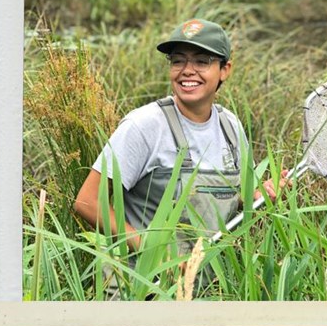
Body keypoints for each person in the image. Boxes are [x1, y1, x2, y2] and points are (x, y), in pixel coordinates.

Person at [72, 18, 283, 254]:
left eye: (202, 61)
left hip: (211, 285)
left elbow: (236, 198)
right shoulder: (144, 125)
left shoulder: (230, 126)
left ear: (225, 70)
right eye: (178, 61)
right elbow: (88, 202)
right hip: (146, 285)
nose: (187, 70)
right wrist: (152, 256)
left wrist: (261, 194)